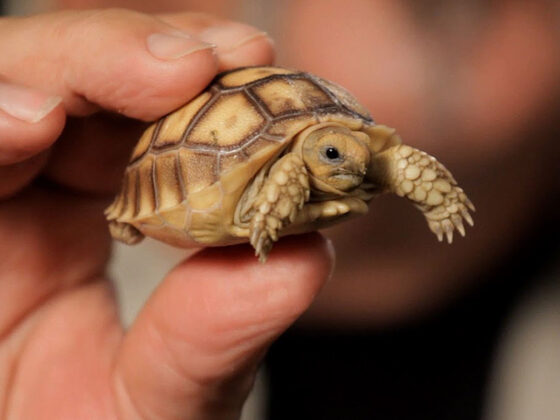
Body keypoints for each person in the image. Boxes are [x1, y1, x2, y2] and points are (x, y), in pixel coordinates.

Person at [1, 1, 558, 419]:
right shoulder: (43, 220)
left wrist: (439, 201)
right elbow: (289, 168)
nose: (347, 166)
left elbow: (397, 162)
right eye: (334, 156)